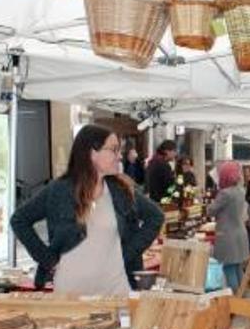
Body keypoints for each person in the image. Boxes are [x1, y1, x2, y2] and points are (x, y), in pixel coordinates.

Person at [11, 125, 164, 294]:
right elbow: (19, 220)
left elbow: (155, 217)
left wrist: (128, 253)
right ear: (91, 152)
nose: (119, 156)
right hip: (71, 291)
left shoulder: (121, 190)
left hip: (115, 289)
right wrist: (48, 259)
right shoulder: (59, 190)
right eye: (113, 149)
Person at [207, 161, 249, 289]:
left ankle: (234, 300)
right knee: (237, 268)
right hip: (240, 233)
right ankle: (241, 298)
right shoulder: (241, 190)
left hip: (227, 235)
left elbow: (210, 210)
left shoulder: (225, 193)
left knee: (228, 268)